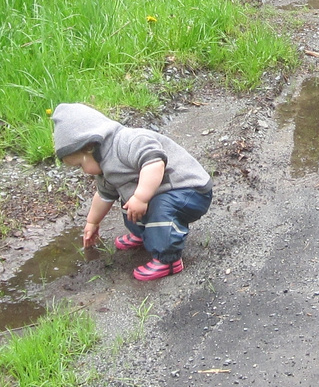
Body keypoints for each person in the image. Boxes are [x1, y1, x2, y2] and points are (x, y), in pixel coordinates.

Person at [53, 102, 213, 282]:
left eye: (80, 165)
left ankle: (168, 259)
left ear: (90, 146)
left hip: (189, 189)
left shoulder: (127, 141)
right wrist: (92, 222)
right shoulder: (105, 170)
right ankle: (144, 233)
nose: (83, 171)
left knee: (157, 206)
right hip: (162, 190)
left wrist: (141, 197)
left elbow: (155, 163)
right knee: (129, 199)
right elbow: (103, 196)